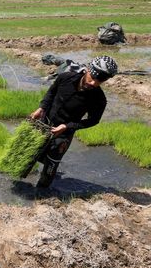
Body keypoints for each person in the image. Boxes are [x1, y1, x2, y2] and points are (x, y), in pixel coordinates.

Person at [30, 55, 118, 188]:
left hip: (63, 134)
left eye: (100, 81)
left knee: (51, 167)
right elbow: (51, 93)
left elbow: (93, 121)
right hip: (44, 123)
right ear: (88, 69)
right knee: (32, 154)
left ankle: (42, 194)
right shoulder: (65, 78)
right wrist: (41, 108)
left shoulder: (99, 99)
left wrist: (67, 126)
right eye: (93, 78)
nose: (94, 83)